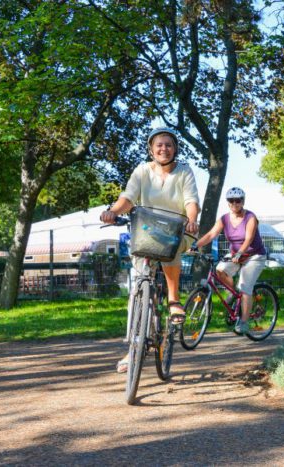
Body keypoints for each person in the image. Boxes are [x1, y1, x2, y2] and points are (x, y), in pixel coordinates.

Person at [101, 127, 200, 372]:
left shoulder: (184, 171)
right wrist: (113, 211)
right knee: (136, 291)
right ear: (151, 149)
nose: (163, 148)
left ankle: (174, 300)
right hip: (146, 232)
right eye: (159, 145)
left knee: (172, 248)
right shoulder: (142, 171)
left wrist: (191, 219)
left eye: (168, 144)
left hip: (177, 230)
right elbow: (128, 198)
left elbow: (191, 202)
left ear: (175, 148)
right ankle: (132, 350)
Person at [193, 187, 267, 335]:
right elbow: (211, 234)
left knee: (245, 286)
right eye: (231, 201)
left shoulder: (250, 217)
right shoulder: (224, 219)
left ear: (243, 201)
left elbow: (249, 239)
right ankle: (233, 293)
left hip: (254, 256)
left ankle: (244, 322)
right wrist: (195, 245)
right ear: (228, 203)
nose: (234, 203)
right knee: (220, 270)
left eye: (238, 200)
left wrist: (240, 252)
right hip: (236, 255)